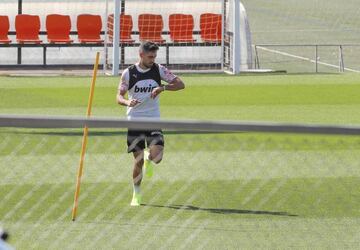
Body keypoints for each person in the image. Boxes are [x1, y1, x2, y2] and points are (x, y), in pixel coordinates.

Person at [117, 41, 185, 206]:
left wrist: (163, 88)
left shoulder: (159, 69)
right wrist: (127, 102)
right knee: (138, 160)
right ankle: (136, 193)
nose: (152, 59)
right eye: (150, 56)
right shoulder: (129, 73)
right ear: (141, 54)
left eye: (154, 56)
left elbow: (180, 84)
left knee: (157, 158)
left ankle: (150, 156)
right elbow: (118, 96)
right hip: (135, 120)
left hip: (154, 119)